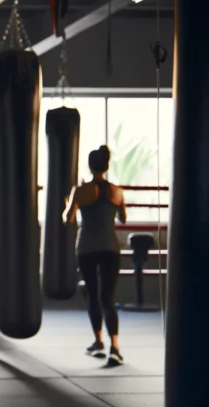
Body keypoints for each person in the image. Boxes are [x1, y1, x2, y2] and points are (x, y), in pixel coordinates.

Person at [63, 145, 127, 367]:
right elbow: (123, 219)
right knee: (107, 297)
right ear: (107, 165)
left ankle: (99, 342)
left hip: (87, 247)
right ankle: (115, 348)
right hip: (110, 247)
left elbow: (68, 218)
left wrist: (67, 203)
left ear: (90, 166)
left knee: (92, 294)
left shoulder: (80, 190)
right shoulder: (117, 191)